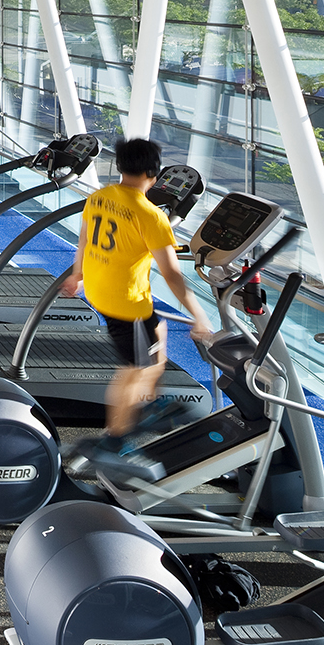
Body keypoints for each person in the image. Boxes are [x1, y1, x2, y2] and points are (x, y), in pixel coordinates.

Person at [60, 138, 214, 481]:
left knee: (156, 337)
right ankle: (113, 440)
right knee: (133, 369)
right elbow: (173, 274)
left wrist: (77, 276)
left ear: (120, 167)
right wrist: (199, 315)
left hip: (101, 292)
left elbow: (84, 239)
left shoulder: (99, 196)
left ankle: (148, 402)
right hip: (126, 304)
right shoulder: (152, 216)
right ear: (153, 174)